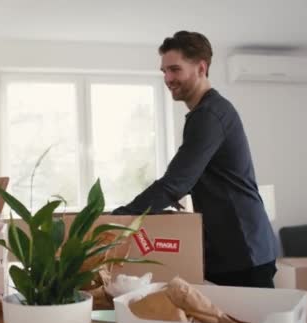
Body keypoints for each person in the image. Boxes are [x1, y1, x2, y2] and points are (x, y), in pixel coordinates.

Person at [113, 31, 278, 288]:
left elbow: (175, 183)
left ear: (201, 68)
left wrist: (119, 218)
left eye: (175, 70)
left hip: (243, 250)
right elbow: (192, 178)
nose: (167, 79)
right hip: (233, 249)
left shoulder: (209, 115)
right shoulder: (207, 113)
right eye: (164, 71)